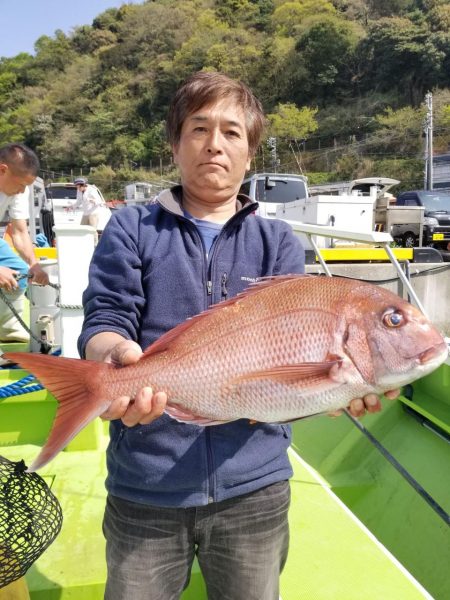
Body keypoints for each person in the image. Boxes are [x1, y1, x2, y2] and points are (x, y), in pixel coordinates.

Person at [78, 72, 399, 600]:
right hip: (146, 486)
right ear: (175, 144)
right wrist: (113, 358)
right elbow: (106, 316)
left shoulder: (276, 240)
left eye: (232, 132)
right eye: (199, 128)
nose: (214, 144)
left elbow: (287, 377)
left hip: (255, 489)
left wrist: (338, 393)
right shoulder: (132, 227)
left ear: (250, 153)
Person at [0, 143, 49, 342]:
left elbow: (20, 232)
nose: (22, 191)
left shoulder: (19, 189)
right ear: (3, 170)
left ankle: (8, 330)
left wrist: (34, 264)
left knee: (18, 272)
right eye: (20, 185)